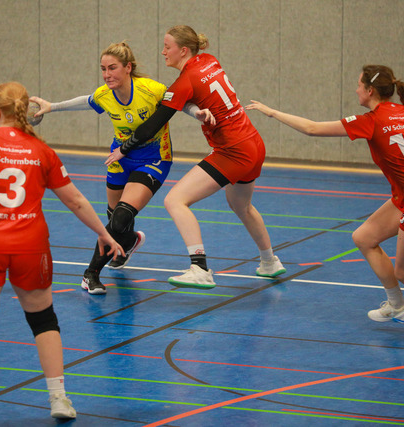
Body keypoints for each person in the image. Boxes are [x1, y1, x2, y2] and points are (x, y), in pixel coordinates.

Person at [0, 81, 124, 424]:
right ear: (24, 110)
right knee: (43, 320)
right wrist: (104, 233)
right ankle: (59, 399)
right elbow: (75, 200)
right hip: (30, 247)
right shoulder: (42, 151)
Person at [246, 65, 404, 338]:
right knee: (364, 237)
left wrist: (272, 112)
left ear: (370, 91)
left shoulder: (370, 120)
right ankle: (397, 305)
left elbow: (312, 128)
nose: (356, 89)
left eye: (359, 85)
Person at [106, 26, 286, 289]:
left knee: (175, 200)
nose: (163, 51)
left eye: (167, 47)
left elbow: (151, 127)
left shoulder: (185, 81)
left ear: (183, 50)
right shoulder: (209, 60)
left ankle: (199, 269)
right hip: (254, 143)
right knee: (241, 205)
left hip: (233, 150)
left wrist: (123, 149)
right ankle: (270, 262)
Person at [31, 41, 213, 294]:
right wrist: (52, 107)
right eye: (103, 69)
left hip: (153, 160)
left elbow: (181, 102)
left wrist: (197, 113)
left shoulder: (151, 89)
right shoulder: (105, 95)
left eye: (112, 68)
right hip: (119, 158)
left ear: (128, 67)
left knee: (121, 216)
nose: (107, 74)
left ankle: (90, 274)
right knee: (115, 220)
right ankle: (130, 241)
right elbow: (86, 101)